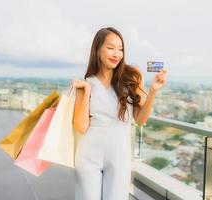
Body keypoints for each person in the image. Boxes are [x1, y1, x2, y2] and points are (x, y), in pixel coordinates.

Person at [72, 27, 167, 200]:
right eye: (110, 48)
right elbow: (80, 126)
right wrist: (86, 92)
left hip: (119, 157)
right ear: (97, 49)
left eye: (120, 49)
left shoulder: (132, 77)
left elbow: (140, 120)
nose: (116, 54)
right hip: (88, 157)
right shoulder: (86, 83)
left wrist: (153, 91)